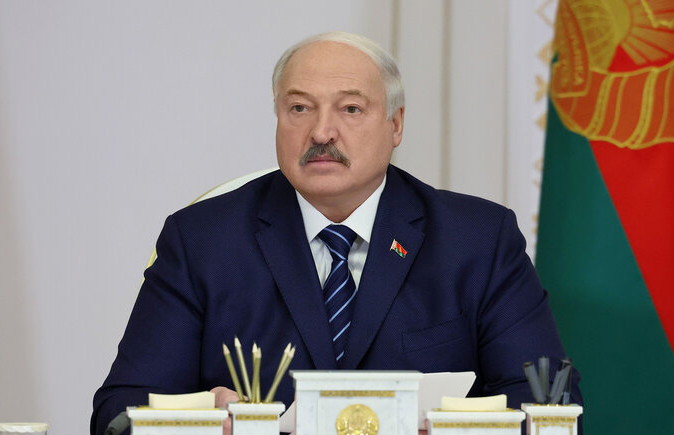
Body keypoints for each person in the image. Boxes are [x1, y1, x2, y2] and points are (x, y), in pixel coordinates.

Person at [91, 31, 581, 435]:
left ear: (396, 125)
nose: (322, 132)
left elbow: (547, 404)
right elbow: (117, 415)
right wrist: (201, 417)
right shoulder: (202, 241)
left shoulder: (477, 240)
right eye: (299, 108)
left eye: (350, 109)